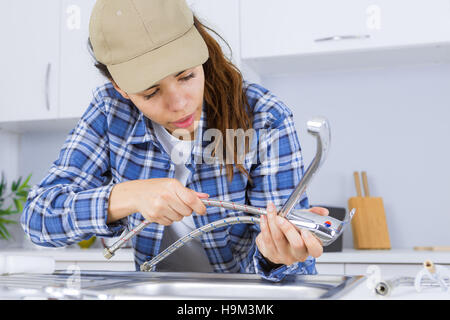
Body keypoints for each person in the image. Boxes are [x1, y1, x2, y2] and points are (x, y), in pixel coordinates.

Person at [21, 0, 329, 282]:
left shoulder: (264, 118)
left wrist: (277, 258)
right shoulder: (110, 112)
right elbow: (38, 219)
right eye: (151, 92)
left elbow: (297, 269)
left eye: (186, 76)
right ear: (121, 88)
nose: (179, 104)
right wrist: (128, 196)